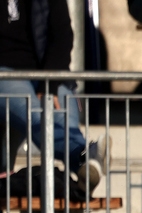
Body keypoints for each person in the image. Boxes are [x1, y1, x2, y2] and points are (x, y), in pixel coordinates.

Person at [0, 0, 108, 189]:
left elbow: (62, 35)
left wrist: (48, 84)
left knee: (64, 118)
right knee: (37, 117)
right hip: (5, 74)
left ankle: (86, 162)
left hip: (46, 73)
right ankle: (86, 157)